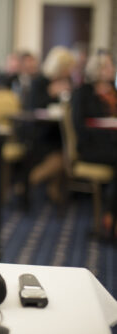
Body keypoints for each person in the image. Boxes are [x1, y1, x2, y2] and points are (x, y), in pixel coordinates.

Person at [71, 51, 117, 237]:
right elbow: (79, 126)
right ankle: (109, 218)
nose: (111, 69)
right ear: (96, 69)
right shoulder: (83, 92)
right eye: (107, 66)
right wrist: (104, 126)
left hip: (111, 144)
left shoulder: (112, 93)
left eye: (111, 65)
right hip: (91, 147)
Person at [26, 47, 75, 201]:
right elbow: (33, 108)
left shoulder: (67, 82)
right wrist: (51, 94)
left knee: (67, 148)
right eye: (67, 68)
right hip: (40, 133)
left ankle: (53, 189)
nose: (69, 72)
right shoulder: (40, 82)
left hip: (57, 132)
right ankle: (30, 181)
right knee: (64, 156)